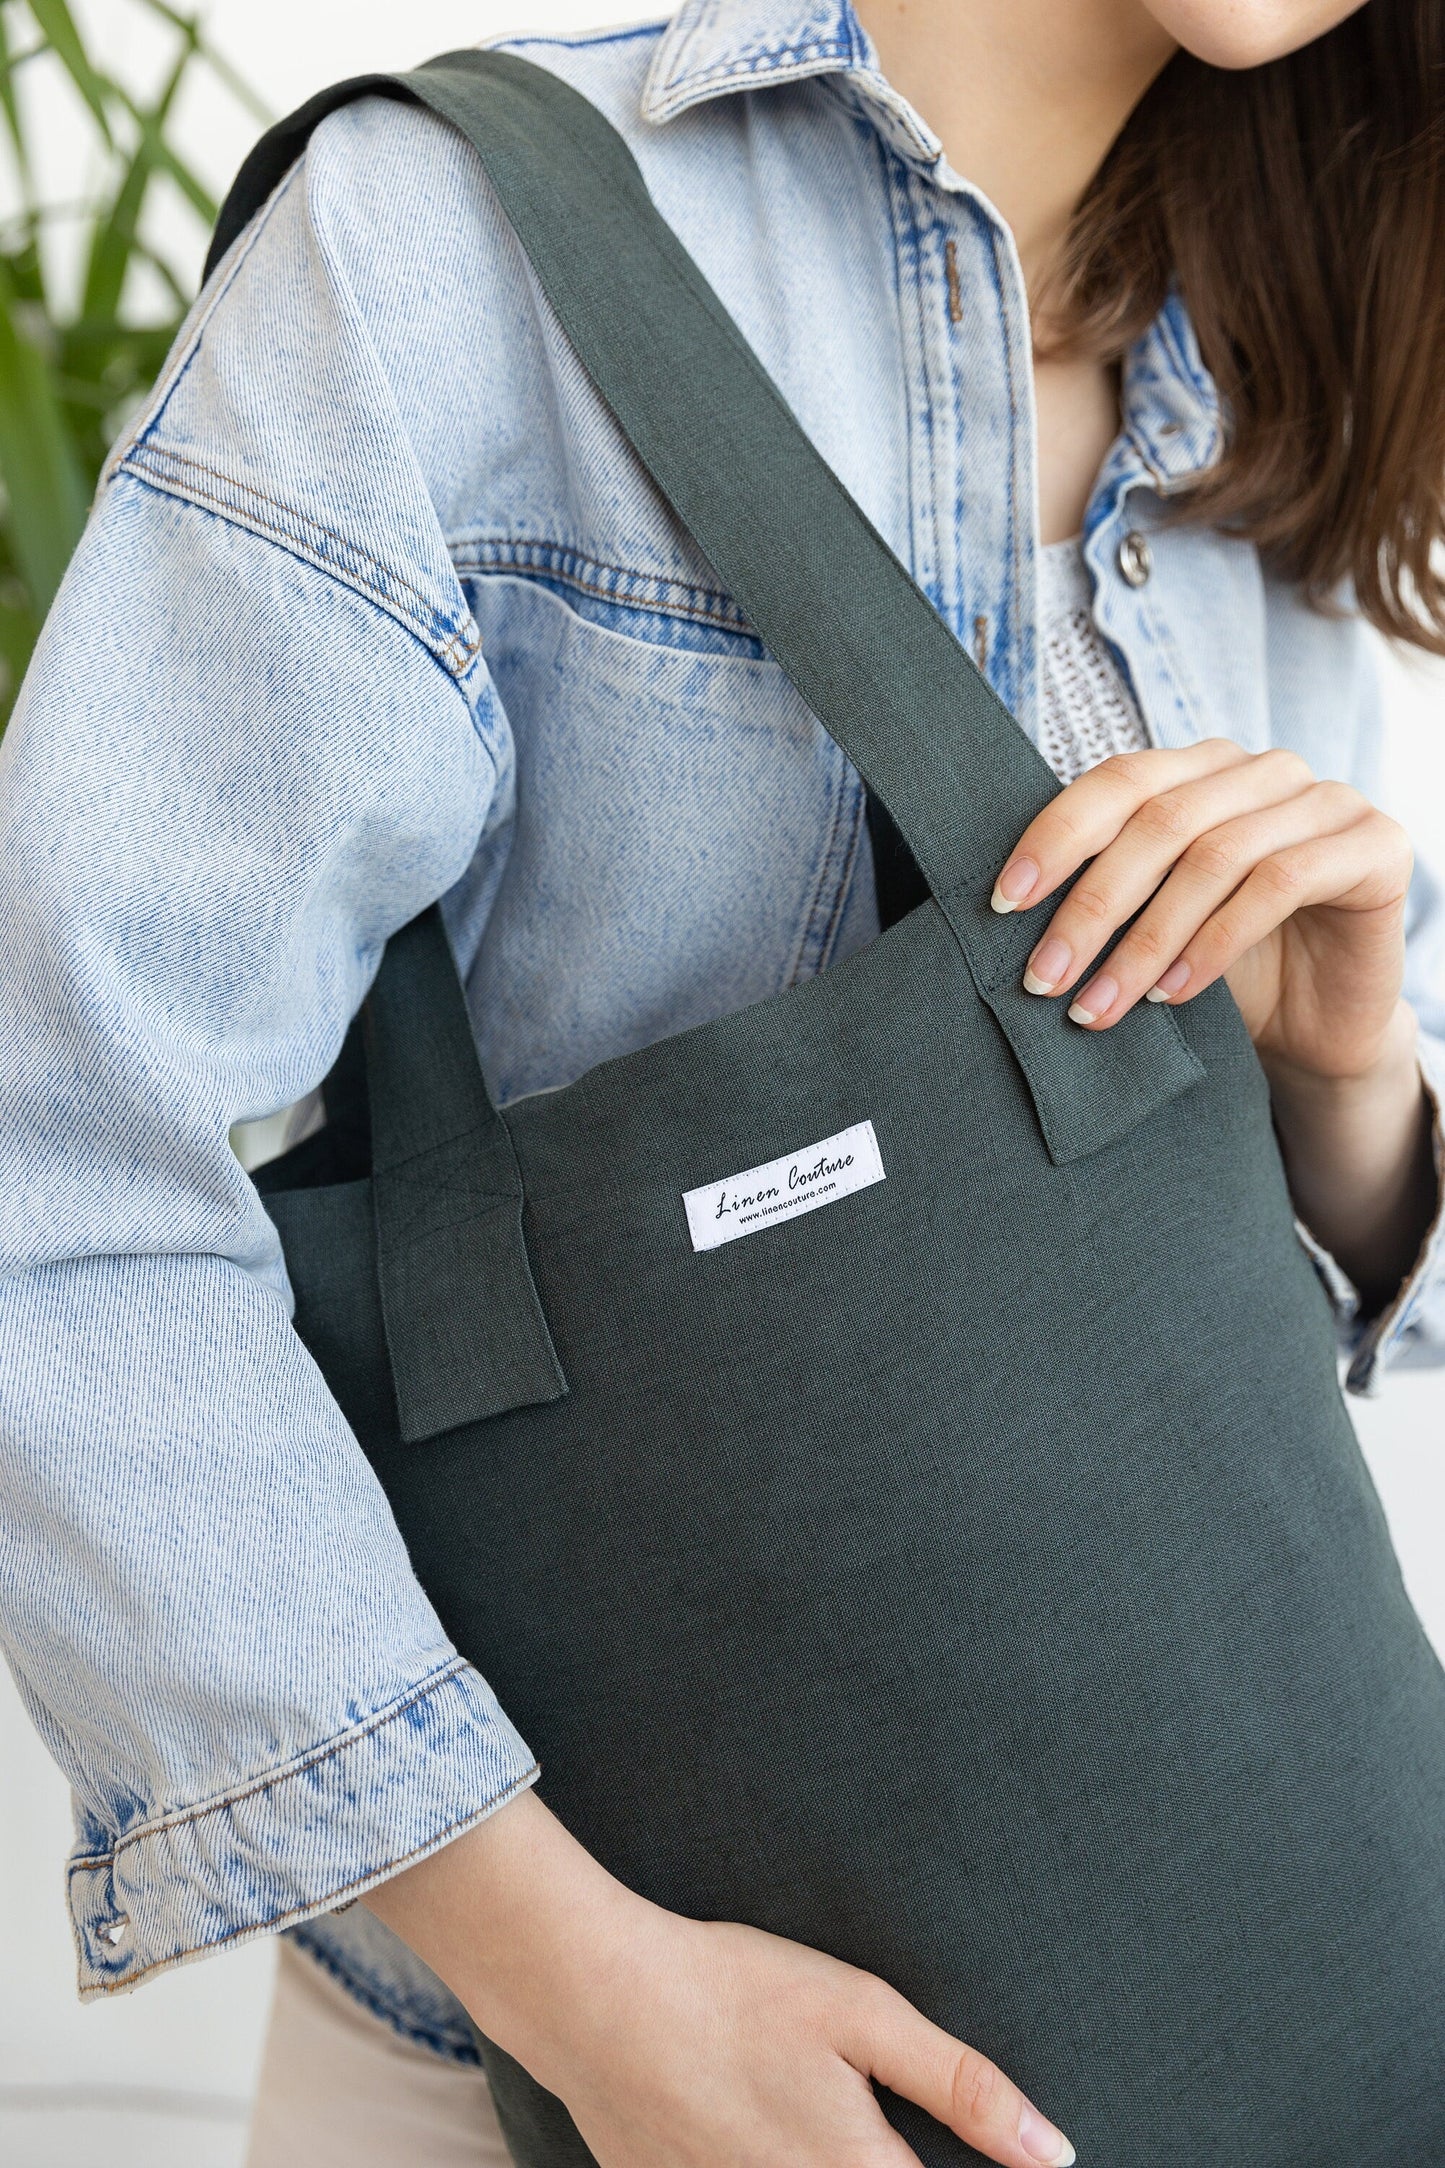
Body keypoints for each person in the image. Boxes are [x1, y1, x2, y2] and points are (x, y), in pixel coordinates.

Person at [2, 0, 1443, 2162]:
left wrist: (1347, 1085)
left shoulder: (1313, 345)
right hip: (540, 2053)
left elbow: (1226, 1347)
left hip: (1228, 1958)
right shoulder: (450, 252)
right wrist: (573, 1978)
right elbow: (50, 1174)